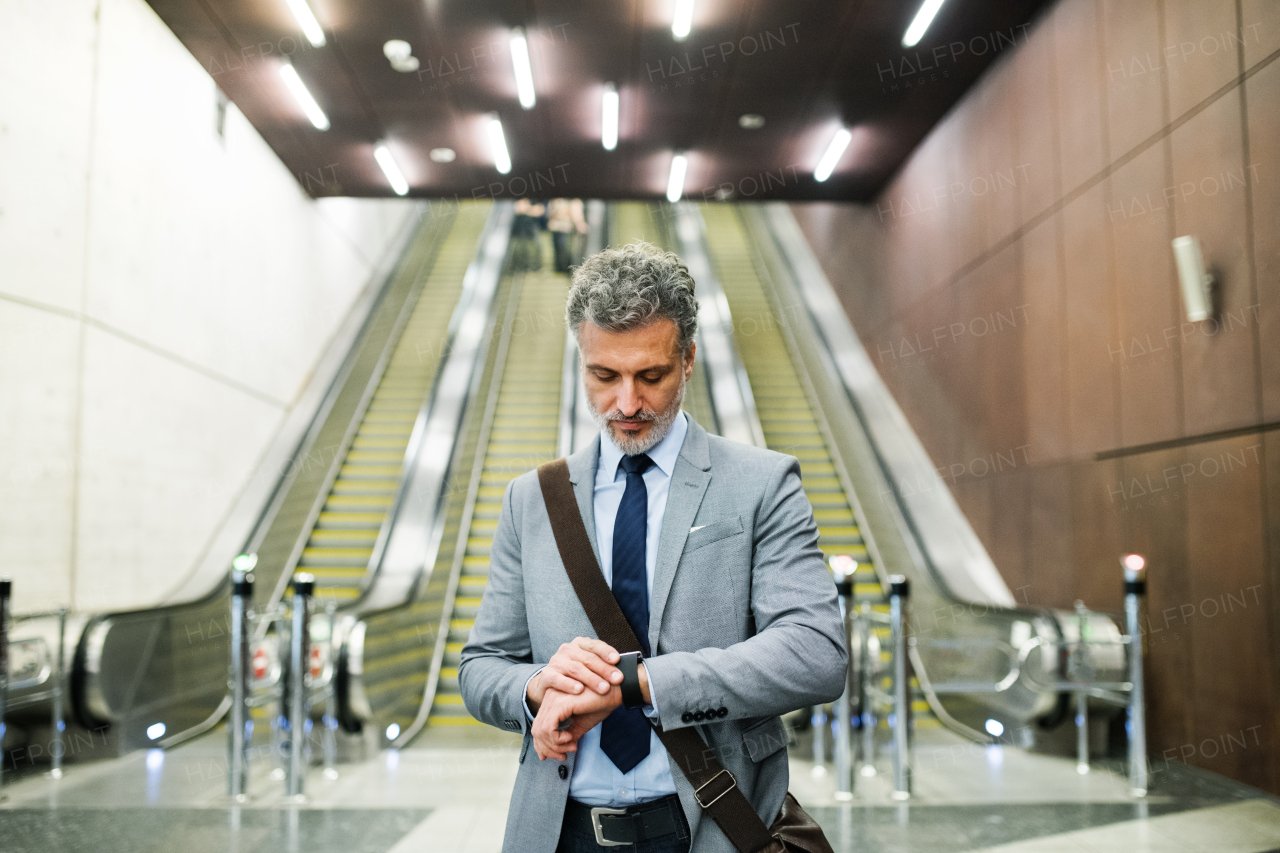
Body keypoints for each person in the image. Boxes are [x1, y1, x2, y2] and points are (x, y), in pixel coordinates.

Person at [460, 240, 848, 853]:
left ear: (689, 359)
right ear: (581, 360)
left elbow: (816, 653)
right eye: (603, 375)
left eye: (652, 376)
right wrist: (535, 691)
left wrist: (638, 682)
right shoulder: (531, 500)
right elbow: (480, 668)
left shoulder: (761, 484)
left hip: (710, 828)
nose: (627, 404)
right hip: (560, 832)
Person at [547, 198, 588, 273]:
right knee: (557, 249)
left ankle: (565, 270)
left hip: (566, 228)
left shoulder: (573, 201)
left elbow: (572, 213)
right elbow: (550, 213)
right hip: (555, 228)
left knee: (565, 250)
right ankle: (558, 269)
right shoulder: (554, 200)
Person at [511, 198, 546, 272]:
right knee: (519, 249)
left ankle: (535, 268)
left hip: (532, 228)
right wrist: (529, 210)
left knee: (534, 248)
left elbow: (539, 211)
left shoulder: (535, 199)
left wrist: (526, 209)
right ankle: (521, 268)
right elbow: (516, 209)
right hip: (519, 229)